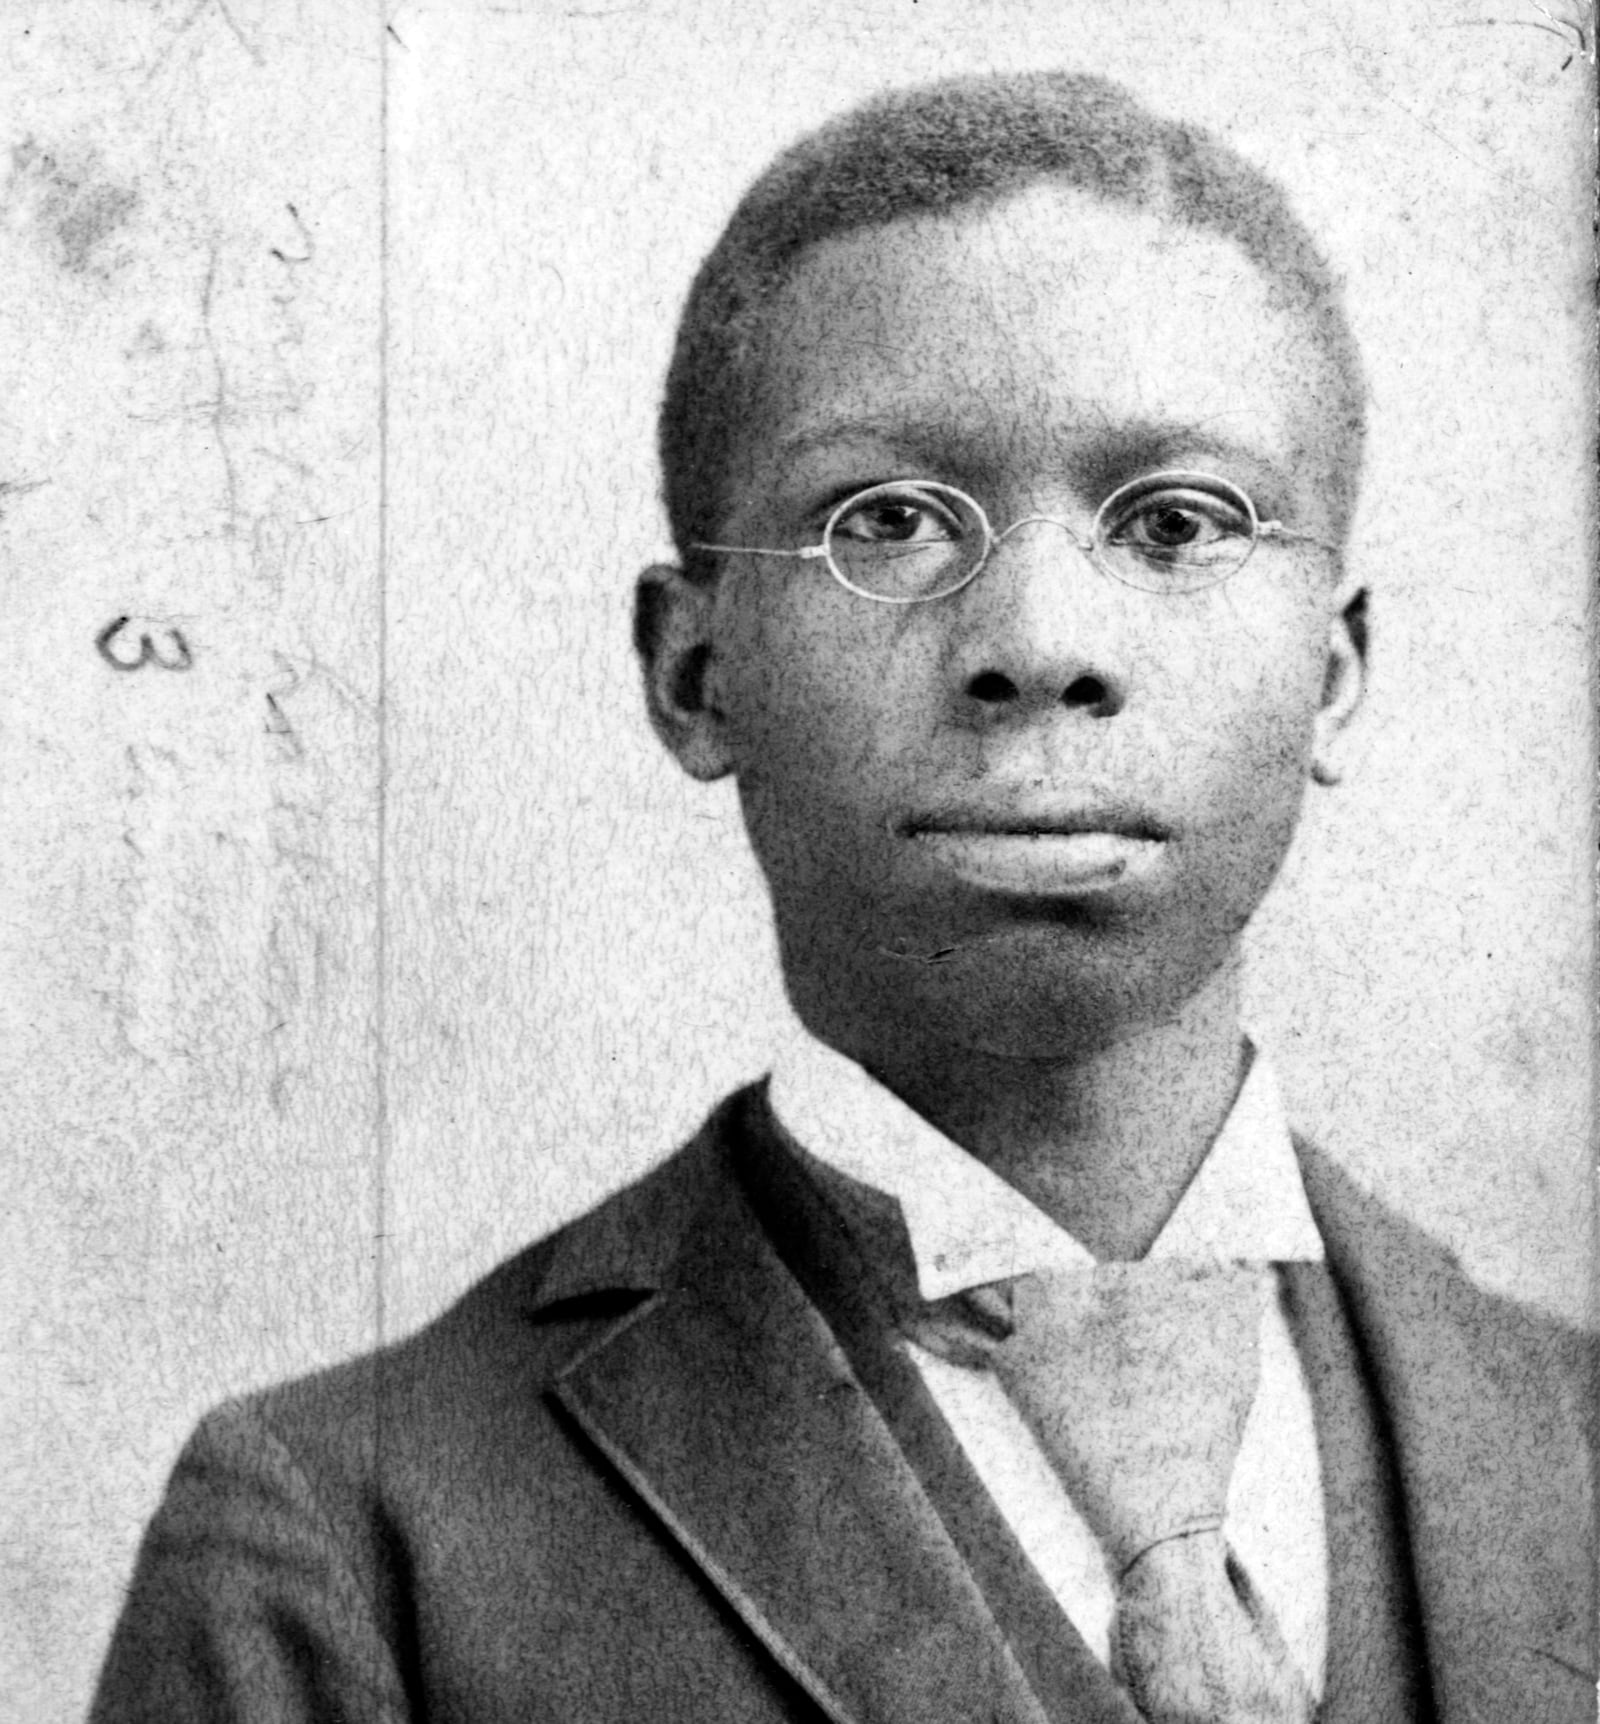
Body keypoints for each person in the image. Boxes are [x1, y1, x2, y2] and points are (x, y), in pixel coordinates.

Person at [89, 70, 1594, 1724]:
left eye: (1176, 522)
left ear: (1336, 670)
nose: (1039, 640)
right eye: (886, 522)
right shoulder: (353, 1537)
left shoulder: (1563, 1435)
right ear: (692, 670)